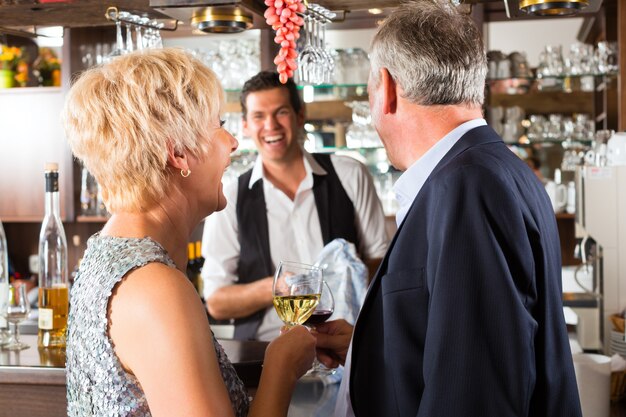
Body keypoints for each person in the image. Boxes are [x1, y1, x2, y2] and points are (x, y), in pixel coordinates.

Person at [314, 2, 582, 417]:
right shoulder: (488, 170)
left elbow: (472, 390)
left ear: (385, 88)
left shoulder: (466, 187)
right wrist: (368, 348)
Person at [62, 48, 316, 417]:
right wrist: (282, 364)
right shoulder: (154, 287)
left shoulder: (108, 252)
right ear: (179, 153)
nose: (232, 142)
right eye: (219, 125)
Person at [201, 71, 388, 341]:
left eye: (281, 112)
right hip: (264, 356)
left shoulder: (350, 174)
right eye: (258, 116)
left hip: (344, 347)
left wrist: (347, 278)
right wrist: (280, 287)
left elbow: (380, 263)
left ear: (300, 116)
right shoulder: (230, 198)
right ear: (245, 126)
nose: (271, 125)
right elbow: (217, 301)